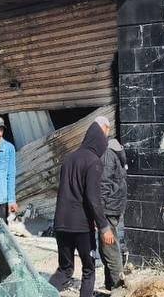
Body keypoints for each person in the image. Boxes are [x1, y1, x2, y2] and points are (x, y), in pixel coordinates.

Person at [48, 117, 116, 297]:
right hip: (81, 227)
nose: (106, 141)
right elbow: (93, 197)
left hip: (61, 224)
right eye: (106, 135)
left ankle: (41, 294)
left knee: (65, 270)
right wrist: (104, 227)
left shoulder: (69, 158)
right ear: (100, 135)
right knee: (88, 269)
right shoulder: (93, 161)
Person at [99, 131, 127, 291]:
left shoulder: (107, 154)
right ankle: (111, 285)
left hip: (108, 207)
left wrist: (98, 210)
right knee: (107, 246)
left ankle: (118, 288)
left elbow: (104, 183)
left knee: (109, 248)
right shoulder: (115, 151)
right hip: (114, 205)